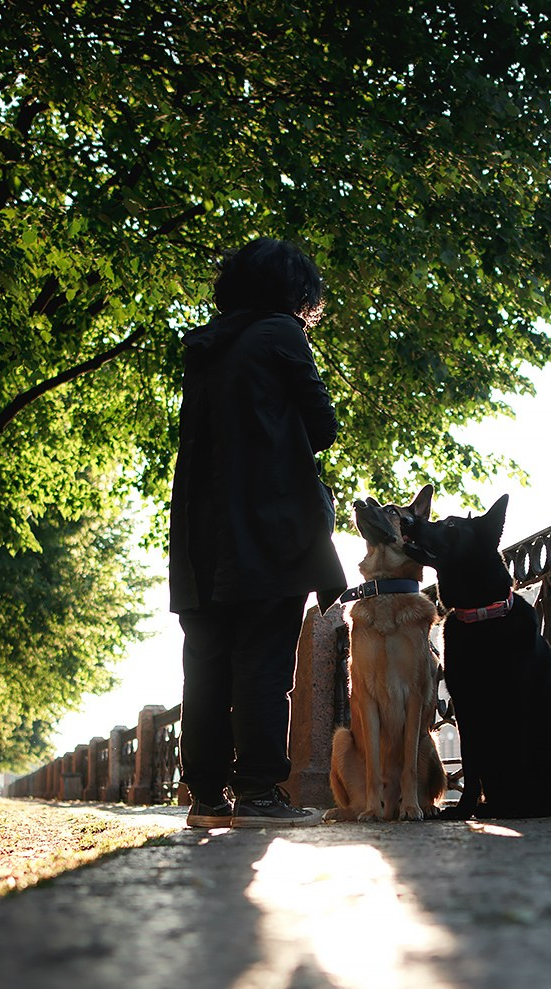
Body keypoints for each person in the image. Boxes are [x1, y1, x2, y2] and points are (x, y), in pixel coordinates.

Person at [169, 238, 346, 828]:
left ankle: (206, 797)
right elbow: (323, 426)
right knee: (265, 660)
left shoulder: (205, 347)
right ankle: (259, 794)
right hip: (268, 526)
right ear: (294, 290)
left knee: (206, 664)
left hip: (200, 534)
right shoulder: (281, 333)